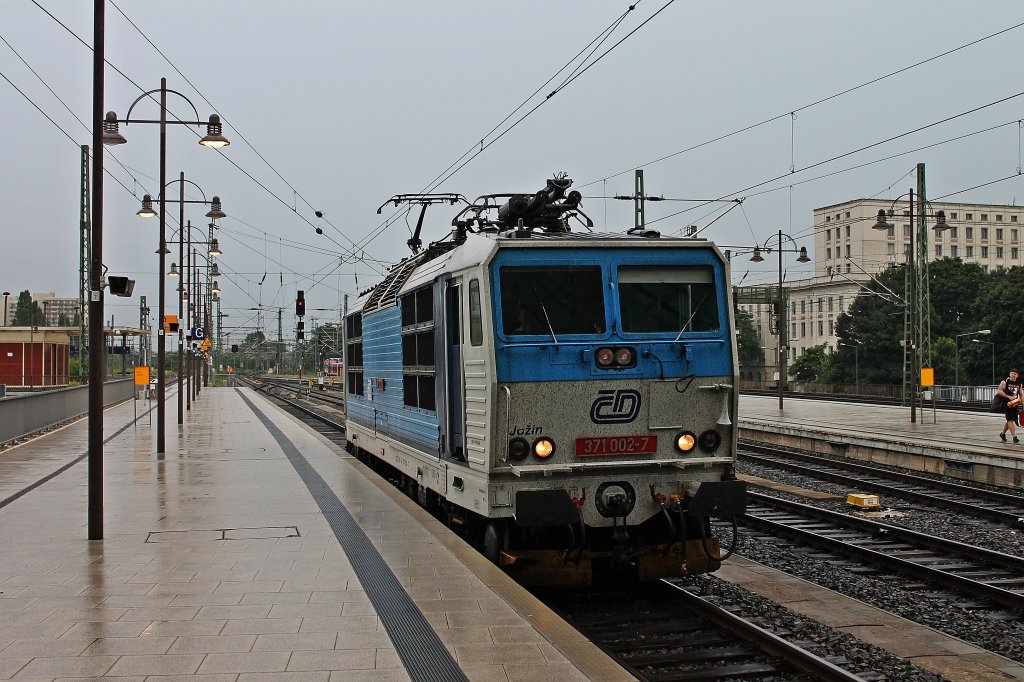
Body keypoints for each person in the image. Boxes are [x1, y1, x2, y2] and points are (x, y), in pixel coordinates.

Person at [997, 368, 1022, 443]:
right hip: (1006, 404)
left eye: (1015, 374)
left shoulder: (1019, 384)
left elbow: (1021, 394)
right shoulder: (1005, 382)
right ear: (1010, 374)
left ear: (1017, 375)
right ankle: (1014, 437)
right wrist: (1008, 396)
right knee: (1010, 419)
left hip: (1015, 404)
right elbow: (999, 391)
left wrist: (1022, 401)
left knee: (1010, 419)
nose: (1013, 375)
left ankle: (1002, 434)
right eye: (1012, 373)